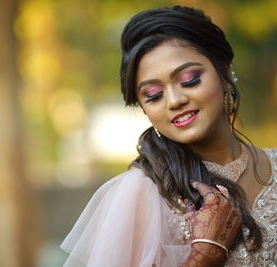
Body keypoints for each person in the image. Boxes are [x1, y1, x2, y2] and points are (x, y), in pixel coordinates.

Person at [60, 5, 277, 267]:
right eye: (153, 95)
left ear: (226, 71)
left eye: (189, 79)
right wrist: (205, 256)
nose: (174, 100)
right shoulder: (141, 194)